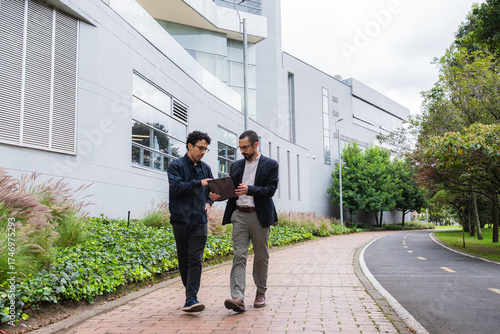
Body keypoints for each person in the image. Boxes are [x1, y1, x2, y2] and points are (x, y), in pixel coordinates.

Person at [220, 130, 279, 312]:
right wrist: (216, 195)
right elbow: (231, 190)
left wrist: (250, 189)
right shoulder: (236, 166)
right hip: (239, 214)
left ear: (255, 145)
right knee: (239, 255)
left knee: (261, 256)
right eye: (240, 148)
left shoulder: (270, 164)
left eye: (245, 147)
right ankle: (238, 297)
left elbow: (270, 190)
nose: (242, 151)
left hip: (259, 216)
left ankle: (261, 292)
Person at [167, 130, 215, 312]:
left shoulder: (206, 168)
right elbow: (176, 188)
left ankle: (191, 298)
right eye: (201, 148)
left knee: (196, 259)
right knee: (184, 260)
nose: (203, 152)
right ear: (190, 146)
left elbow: (211, 192)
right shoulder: (176, 166)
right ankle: (190, 297)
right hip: (180, 219)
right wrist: (199, 183)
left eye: (206, 149)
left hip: (200, 220)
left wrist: (210, 202)